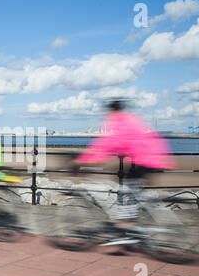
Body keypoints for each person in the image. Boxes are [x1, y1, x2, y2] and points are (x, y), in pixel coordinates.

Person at [74, 100, 176, 237]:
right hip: (154, 155)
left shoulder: (118, 122)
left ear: (112, 110)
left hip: (146, 158)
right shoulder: (129, 119)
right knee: (133, 188)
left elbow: (106, 145)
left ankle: (129, 224)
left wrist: (81, 161)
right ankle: (133, 221)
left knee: (126, 189)